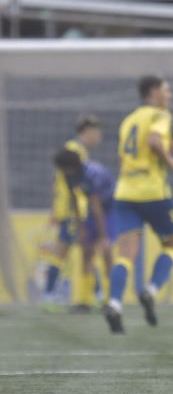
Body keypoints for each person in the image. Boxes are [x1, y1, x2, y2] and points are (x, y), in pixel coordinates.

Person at [103, 75, 173, 334]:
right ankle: (150, 290)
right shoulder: (160, 114)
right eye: (166, 89)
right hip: (153, 192)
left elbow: (121, 158)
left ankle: (114, 304)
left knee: (125, 254)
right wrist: (170, 160)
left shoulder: (128, 120)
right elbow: (153, 141)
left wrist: (163, 148)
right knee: (171, 245)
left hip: (125, 192)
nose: (169, 95)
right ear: (154, 91)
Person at [41, 115, 103, 312]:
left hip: (70, 210)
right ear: (87, 132)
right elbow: (73, 185)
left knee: (70, 252)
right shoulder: (75, 151)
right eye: (97, 132)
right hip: (74, 212)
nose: (99, 137)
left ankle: (93, 295)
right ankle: (96, 296)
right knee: (74, 251)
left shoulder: (75, 150)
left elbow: (58, 182)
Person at [52, 150, 116, 312]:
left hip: (112, 209)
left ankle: (110, 300)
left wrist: (103, 236)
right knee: (86, 252)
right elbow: (74, 199)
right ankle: (85, 300)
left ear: (70, 166)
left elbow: (97, 206)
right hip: (93, 210)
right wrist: (81, 228)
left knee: (106, 253)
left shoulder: (92, 174)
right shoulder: (68, 175)